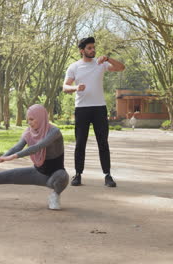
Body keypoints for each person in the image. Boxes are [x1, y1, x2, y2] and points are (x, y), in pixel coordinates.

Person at [63, 37, 125, 187]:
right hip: (82, 109)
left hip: (99, 108)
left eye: (93, 48)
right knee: (80, 143)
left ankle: (107, 175)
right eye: (89, 48)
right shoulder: (74, 67)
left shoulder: (101, 64)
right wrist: (76, 88)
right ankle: (77, 174)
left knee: (103, 142)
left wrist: (108, 58)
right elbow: (65, 87)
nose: (93, 50)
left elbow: (121, 67)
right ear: (82, 51)